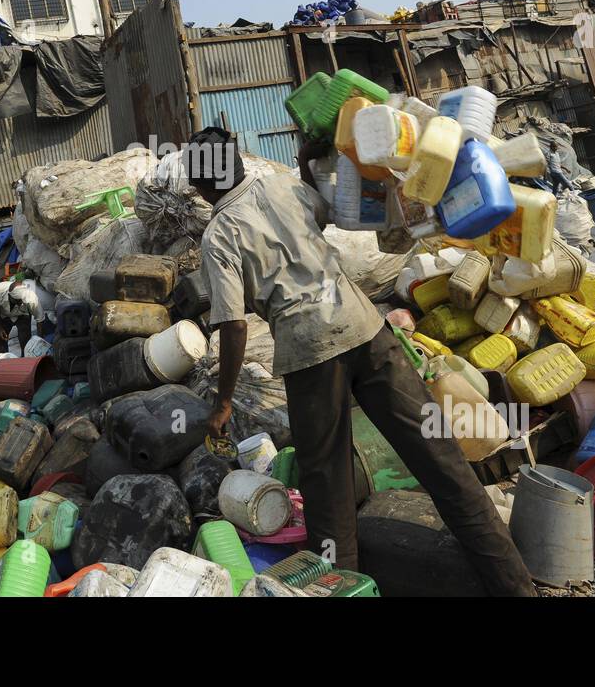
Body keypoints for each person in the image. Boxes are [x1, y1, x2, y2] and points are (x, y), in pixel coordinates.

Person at [186, 126, 535, 596]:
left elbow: (233, 325)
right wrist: (311, 156)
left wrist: (223, 401)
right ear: (239, 164)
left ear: (201, 184)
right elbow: (328, 206)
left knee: (328, 490)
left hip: (310, 355)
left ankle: (344, 588)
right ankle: (515, 588)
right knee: (442, 461)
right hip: (367, 331)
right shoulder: (283, 185)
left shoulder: (219, 235)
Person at [0, 276, 42, 356]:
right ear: (10, 296)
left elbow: (40, 319)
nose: (21, 303)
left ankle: (25, 362)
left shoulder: (31, 298)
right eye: (17, 301)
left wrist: (39, 341)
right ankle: (1, 363)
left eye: (22, 300)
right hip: (4, 315)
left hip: (23, 315)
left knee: (25, 342)